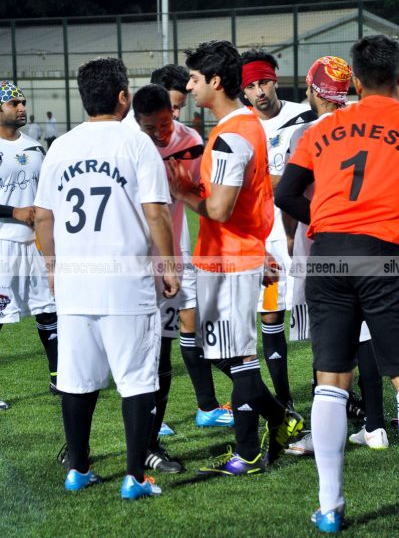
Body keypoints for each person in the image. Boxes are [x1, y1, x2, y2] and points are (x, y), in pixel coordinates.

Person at [34, 58, 179, 499]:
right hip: (125, 281)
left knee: (76, 379)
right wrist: (169, 266)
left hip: (76, 281)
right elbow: (156, 213)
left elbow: (43, 217)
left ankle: (78, 468)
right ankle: (135, 477)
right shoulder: (136, 144)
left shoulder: (60, 146)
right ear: (123, 97)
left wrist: (53, 268)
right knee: (136, 379)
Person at [275, 34, 399, 533]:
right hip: (382, 254)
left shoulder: (322, 128)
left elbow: (287, 193)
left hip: (327, 256)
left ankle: (329, 507)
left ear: (357, 78)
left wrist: (325, 223)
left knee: (330, 379)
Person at [167, 40, 303, 475]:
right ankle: (276, 424)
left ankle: (253, 446)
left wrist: (180, 190)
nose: (189, 86)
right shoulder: (243, 127)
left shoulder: (231, 137)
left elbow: (221, 208)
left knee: (238, 358)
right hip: (233, 255)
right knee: (228, 355)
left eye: (194, 78)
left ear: (215, 82)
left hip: (228, 260)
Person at [282, 56, 387, 457]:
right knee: (368, 336)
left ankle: (326, 436)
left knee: (326, 349)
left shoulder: (307, 132)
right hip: (372, 242)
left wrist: (304, 232)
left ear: (312, 89)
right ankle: (375, 425)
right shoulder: (368, 123)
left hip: (323, 245)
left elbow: (288, 196)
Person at [133, 84, 234, 473]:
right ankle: (78, 445)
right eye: (150, 126)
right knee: (127, 353)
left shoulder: (190, 141)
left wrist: (185, 188)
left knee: (164, 348)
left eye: (165, 122)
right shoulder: (127, 143)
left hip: (172, 260)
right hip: (133, 263)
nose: (159, 132)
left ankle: (153, 440)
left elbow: (202, 195)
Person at [240, 49, 317, 409]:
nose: (260, 92)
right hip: (264, 239)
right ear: (243, 91)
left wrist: (265, 181)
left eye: (265, 82)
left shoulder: (304, 115)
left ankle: (331, 392)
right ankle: (284, 399)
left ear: (275, 80)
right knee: (270, 313)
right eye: (252, 86)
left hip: (303, 232)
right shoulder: (240, 124)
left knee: (318, 313)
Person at [0, 81, 58, 411]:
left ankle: (58, 376)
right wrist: (13, 211)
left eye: (22, 102)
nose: (21, 108)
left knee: (48, 308)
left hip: (35, 245)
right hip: (3, 244)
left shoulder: (36, 148)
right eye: (13, 104)